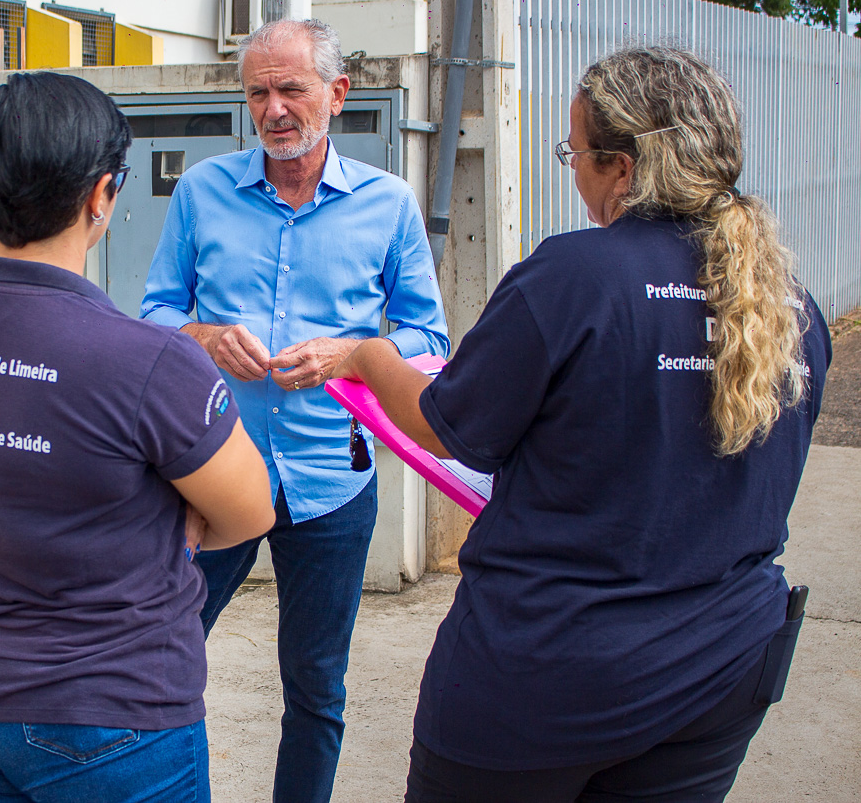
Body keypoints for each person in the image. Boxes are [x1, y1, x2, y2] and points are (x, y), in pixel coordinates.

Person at [333, 46, 832, 802]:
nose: (573, 173)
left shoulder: (572, 277)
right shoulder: (788, 303)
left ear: (623, 170)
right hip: (719, 672)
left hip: (548, 679)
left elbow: (445, 428)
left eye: (576, 153)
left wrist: (370, 358)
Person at [0, 72, 275, 803]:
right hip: (107, 715)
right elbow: (251, 510)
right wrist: (170, 514)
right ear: (102, 194)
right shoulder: (148, 359)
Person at [141, 18, 450, 802]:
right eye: (258, 92)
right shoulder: (204, 191)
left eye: (291, 89)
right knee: (160, 662)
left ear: (337, 95)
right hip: (212, 475)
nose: (273, 108)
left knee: (316, 687)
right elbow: (152, 315)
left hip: (333, 480)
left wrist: (353, 354)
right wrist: (202, 337)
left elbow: (426, 335)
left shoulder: (388, 205)